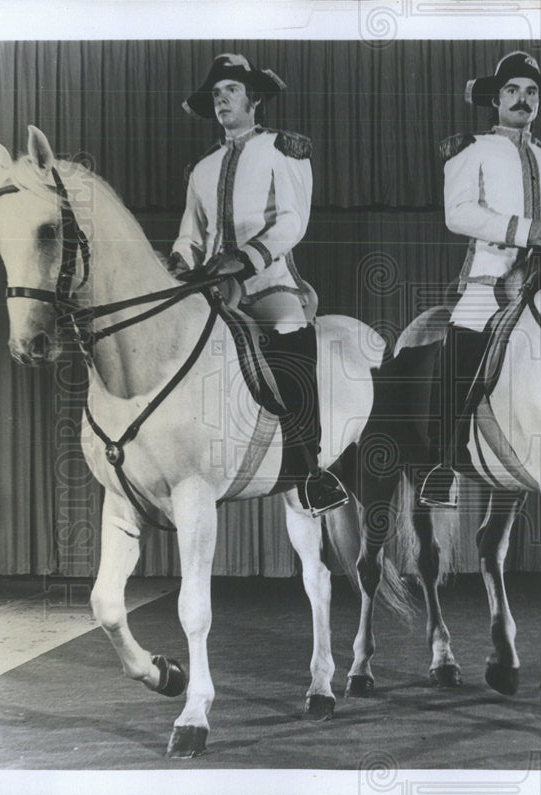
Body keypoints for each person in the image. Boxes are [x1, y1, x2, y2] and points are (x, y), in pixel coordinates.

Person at [170, 53, 348, 516]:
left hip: (269, 285)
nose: (221, 99)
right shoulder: (202, 168)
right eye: (216, 93)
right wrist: (180, 264)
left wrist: (244, 260)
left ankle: (311, 469)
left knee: (292, 335)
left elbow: (292, 222)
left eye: (230, 90)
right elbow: (191, 234)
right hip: (211, 290)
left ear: (255, 99)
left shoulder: (282, 149)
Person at [418, 51, 541, 508]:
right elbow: (459, 214)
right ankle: (444, 462)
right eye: (513, 90)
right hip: (488, 281)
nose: (523, 99)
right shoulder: (471, 149)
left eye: (531, 92)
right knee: (463, 346)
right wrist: (525, 230)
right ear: (496, 98)